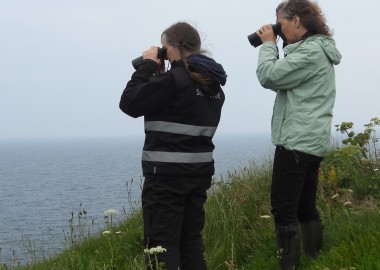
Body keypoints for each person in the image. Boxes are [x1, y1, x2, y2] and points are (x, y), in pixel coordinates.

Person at [119, 21, 227, 270]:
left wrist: (147, 66)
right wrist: (161, 78)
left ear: (172, 49)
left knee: (160, 247)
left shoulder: (172, 81)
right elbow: (181, 110)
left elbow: (128, 103)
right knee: (191, 244)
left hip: (165, 179)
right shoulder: (214, 86)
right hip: (198, 175)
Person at [255, 0, 342, 269]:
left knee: (283, 209)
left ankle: (288, 265)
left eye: (279, 23)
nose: (277, 29)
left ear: (296, 20)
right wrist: (282, 42)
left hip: (295, 141)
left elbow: (268, 76)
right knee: (304, 207)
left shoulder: (310, 53)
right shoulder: (315, 50)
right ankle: (316, 260)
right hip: (310, 142)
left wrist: (269, 45)